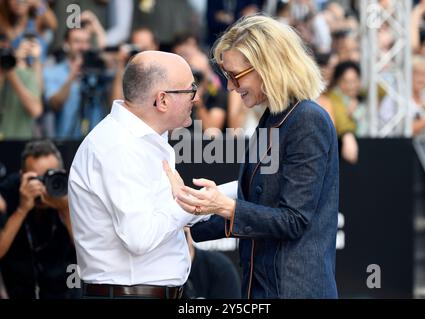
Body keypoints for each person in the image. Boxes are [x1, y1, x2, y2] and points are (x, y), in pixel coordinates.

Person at [165, 15, 339, 299]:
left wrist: (224, 207)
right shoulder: (273, 119)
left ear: (267, 66)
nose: (231, 87)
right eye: (226, 77)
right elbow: (257, 205)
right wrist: (186, 217)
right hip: (262, 286)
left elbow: (294, 220)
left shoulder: (308, 119)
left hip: (294, 289)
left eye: (235, 76)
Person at [68, 50, 209, 299]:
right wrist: (189, 204)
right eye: (191, 90)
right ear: (162, 100)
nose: (196, 99)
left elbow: (160, 220)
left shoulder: (143, 140)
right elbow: (139, 238)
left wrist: (215, 201)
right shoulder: (119, 147)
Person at [0, 140, 78, 299]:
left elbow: (89, 253)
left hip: (64, 289)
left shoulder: (71, 190)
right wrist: (22, 209)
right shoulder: (10, 190)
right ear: (22, 176)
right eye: (37, 179)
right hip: (19, 289)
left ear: (61, 174)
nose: (44, 186)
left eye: (50, 177)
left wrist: (66, 209)